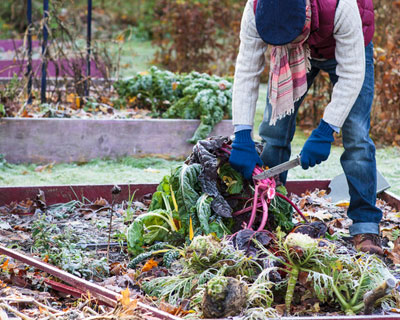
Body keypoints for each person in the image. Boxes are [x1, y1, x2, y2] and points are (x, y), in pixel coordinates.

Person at [229, 0, 383, 254]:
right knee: (273, 133)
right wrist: (241, 134)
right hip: (292, 52)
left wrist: (326, 130)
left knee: (356, 136)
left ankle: (365, 225)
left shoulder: (341, 7)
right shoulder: (255, 9)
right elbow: (246, 70)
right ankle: (271, 215)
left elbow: (353, 74)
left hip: (345, 46)